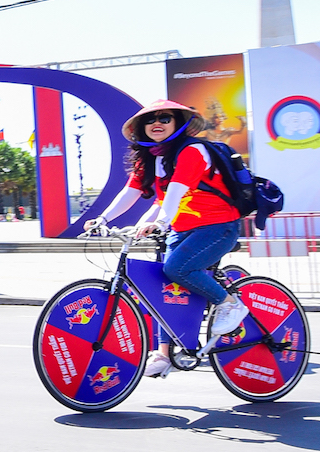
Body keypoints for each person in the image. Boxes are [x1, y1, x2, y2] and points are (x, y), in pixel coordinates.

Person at [93, 100, 249, 378]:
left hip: (218, 226)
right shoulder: (152, 158)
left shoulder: (193, 151)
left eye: (165, 118)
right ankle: (163, 354)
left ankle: (229, 303)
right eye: (150, 120)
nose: (157, 124)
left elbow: (175, 194)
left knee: (177, 269)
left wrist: (160, 223)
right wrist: (103, 219)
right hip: (182, 229)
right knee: (163, 289)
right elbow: (130, 193)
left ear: (178, 123)